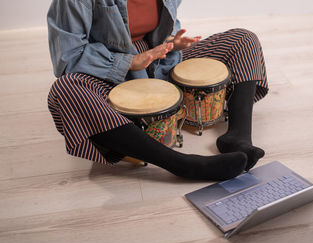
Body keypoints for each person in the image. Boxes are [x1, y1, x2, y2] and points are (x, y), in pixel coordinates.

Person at [47, 0, 269, 180]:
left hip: (161, 62)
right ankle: (182, 164)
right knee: (65, 89)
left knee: (243, 40)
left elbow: (159, 31)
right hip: (113, 73)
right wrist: (130, 62)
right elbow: (68, 57)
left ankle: (238, 137)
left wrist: (174, 42)